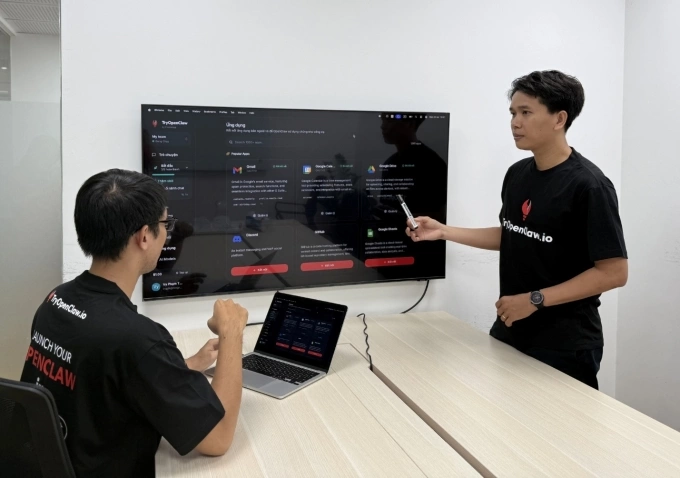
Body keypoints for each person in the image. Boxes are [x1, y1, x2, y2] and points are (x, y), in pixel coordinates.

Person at [406, 70, 628, 389]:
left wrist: (535, 300)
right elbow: (513, 234)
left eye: (526, 112)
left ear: (559, 118)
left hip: (564, 345)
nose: (515, 123)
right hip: (510, 329)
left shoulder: (589, 186)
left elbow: (614, 272)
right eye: (513, 113)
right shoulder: (517, 174)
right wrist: (444, 231)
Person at [20, 169, 248, 477]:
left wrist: (187, 365)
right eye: (166, 224)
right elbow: (218, 438)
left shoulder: (56, 300)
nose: (168, 233)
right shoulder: (137, 338)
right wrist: (232, 332)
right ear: (144, 236)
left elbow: (105, 381)